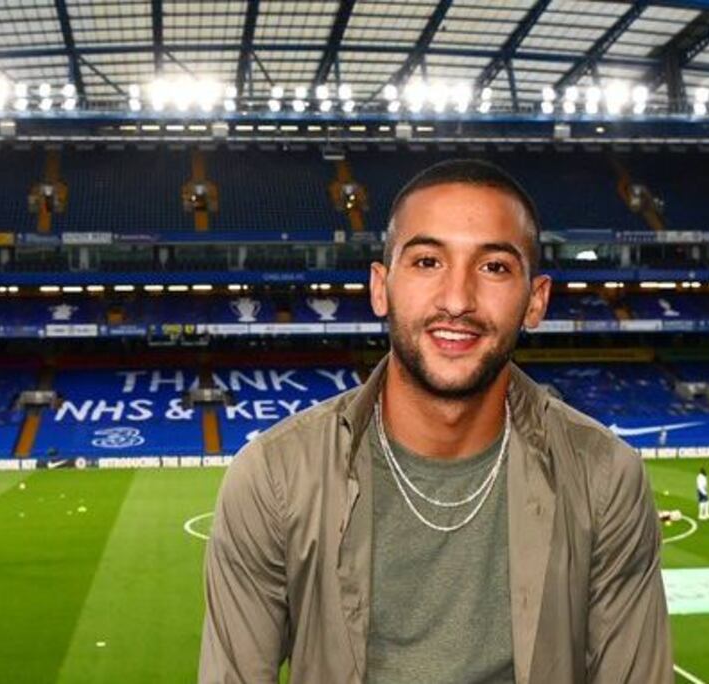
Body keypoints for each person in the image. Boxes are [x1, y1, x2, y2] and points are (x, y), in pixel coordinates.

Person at [200, 159, 673, 684]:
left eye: (494, 267)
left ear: (535, 301)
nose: (457, 300)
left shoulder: (605, 479)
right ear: (381, 288)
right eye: (427, 261)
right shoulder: (275, 478)